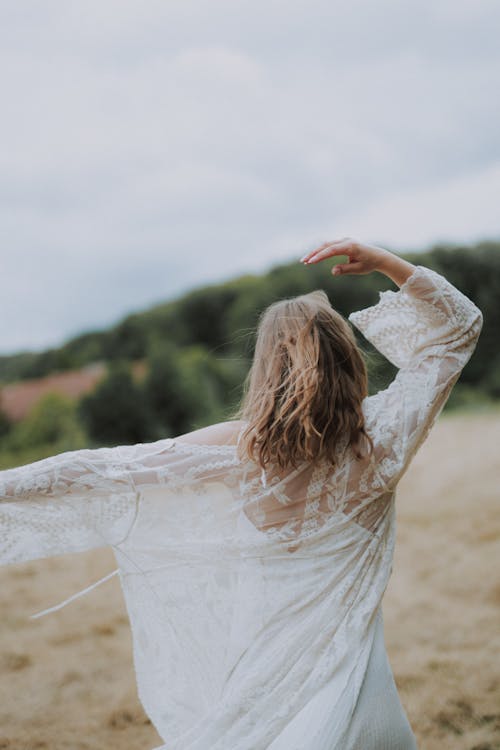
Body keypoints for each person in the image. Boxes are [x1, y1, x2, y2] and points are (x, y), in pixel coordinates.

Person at [0, 238, 482, 749]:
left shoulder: (237, 452)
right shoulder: (384, 438)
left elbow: (101, 470)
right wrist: (385, 262)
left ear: (265, 369)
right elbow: (458, 329)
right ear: (349, 357)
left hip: (264, 694)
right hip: (361, 697)